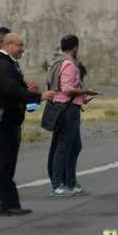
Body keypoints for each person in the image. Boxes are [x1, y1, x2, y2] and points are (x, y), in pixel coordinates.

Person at [0, 33, 55, 216]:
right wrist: (38, 96)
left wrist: (27, 92)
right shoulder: (3, 64)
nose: (22, 49)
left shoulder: (2, 63)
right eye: (19, 45)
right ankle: (8, 204)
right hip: (3, 119)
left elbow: (11, 89)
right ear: (8, 45)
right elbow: (10, 90)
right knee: (5, 162)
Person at [46, 35, 97, 197]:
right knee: (64, 146)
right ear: (75, 47)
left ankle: (71, 182)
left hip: (64, 107)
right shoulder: (69, 64)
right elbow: (67, 89)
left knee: (74, 146)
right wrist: (85, 91)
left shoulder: (57, 62)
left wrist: (83, 97)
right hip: (68, 110)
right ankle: (58, 184)